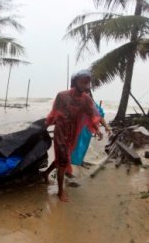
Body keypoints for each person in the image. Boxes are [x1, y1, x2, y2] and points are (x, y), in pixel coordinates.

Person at [42, 70, 103, 202]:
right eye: (83, 81)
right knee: (63, 159)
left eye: (88, 81)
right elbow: (53, 113)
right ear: (75, 81)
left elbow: (93, 115)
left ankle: (45, 174)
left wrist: (97, 128)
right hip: (61, 131)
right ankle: (60, 192)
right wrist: (44, 127)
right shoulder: (62, 96)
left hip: (73, 133)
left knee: (63, 157)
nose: (86, 84)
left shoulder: (87, 100)